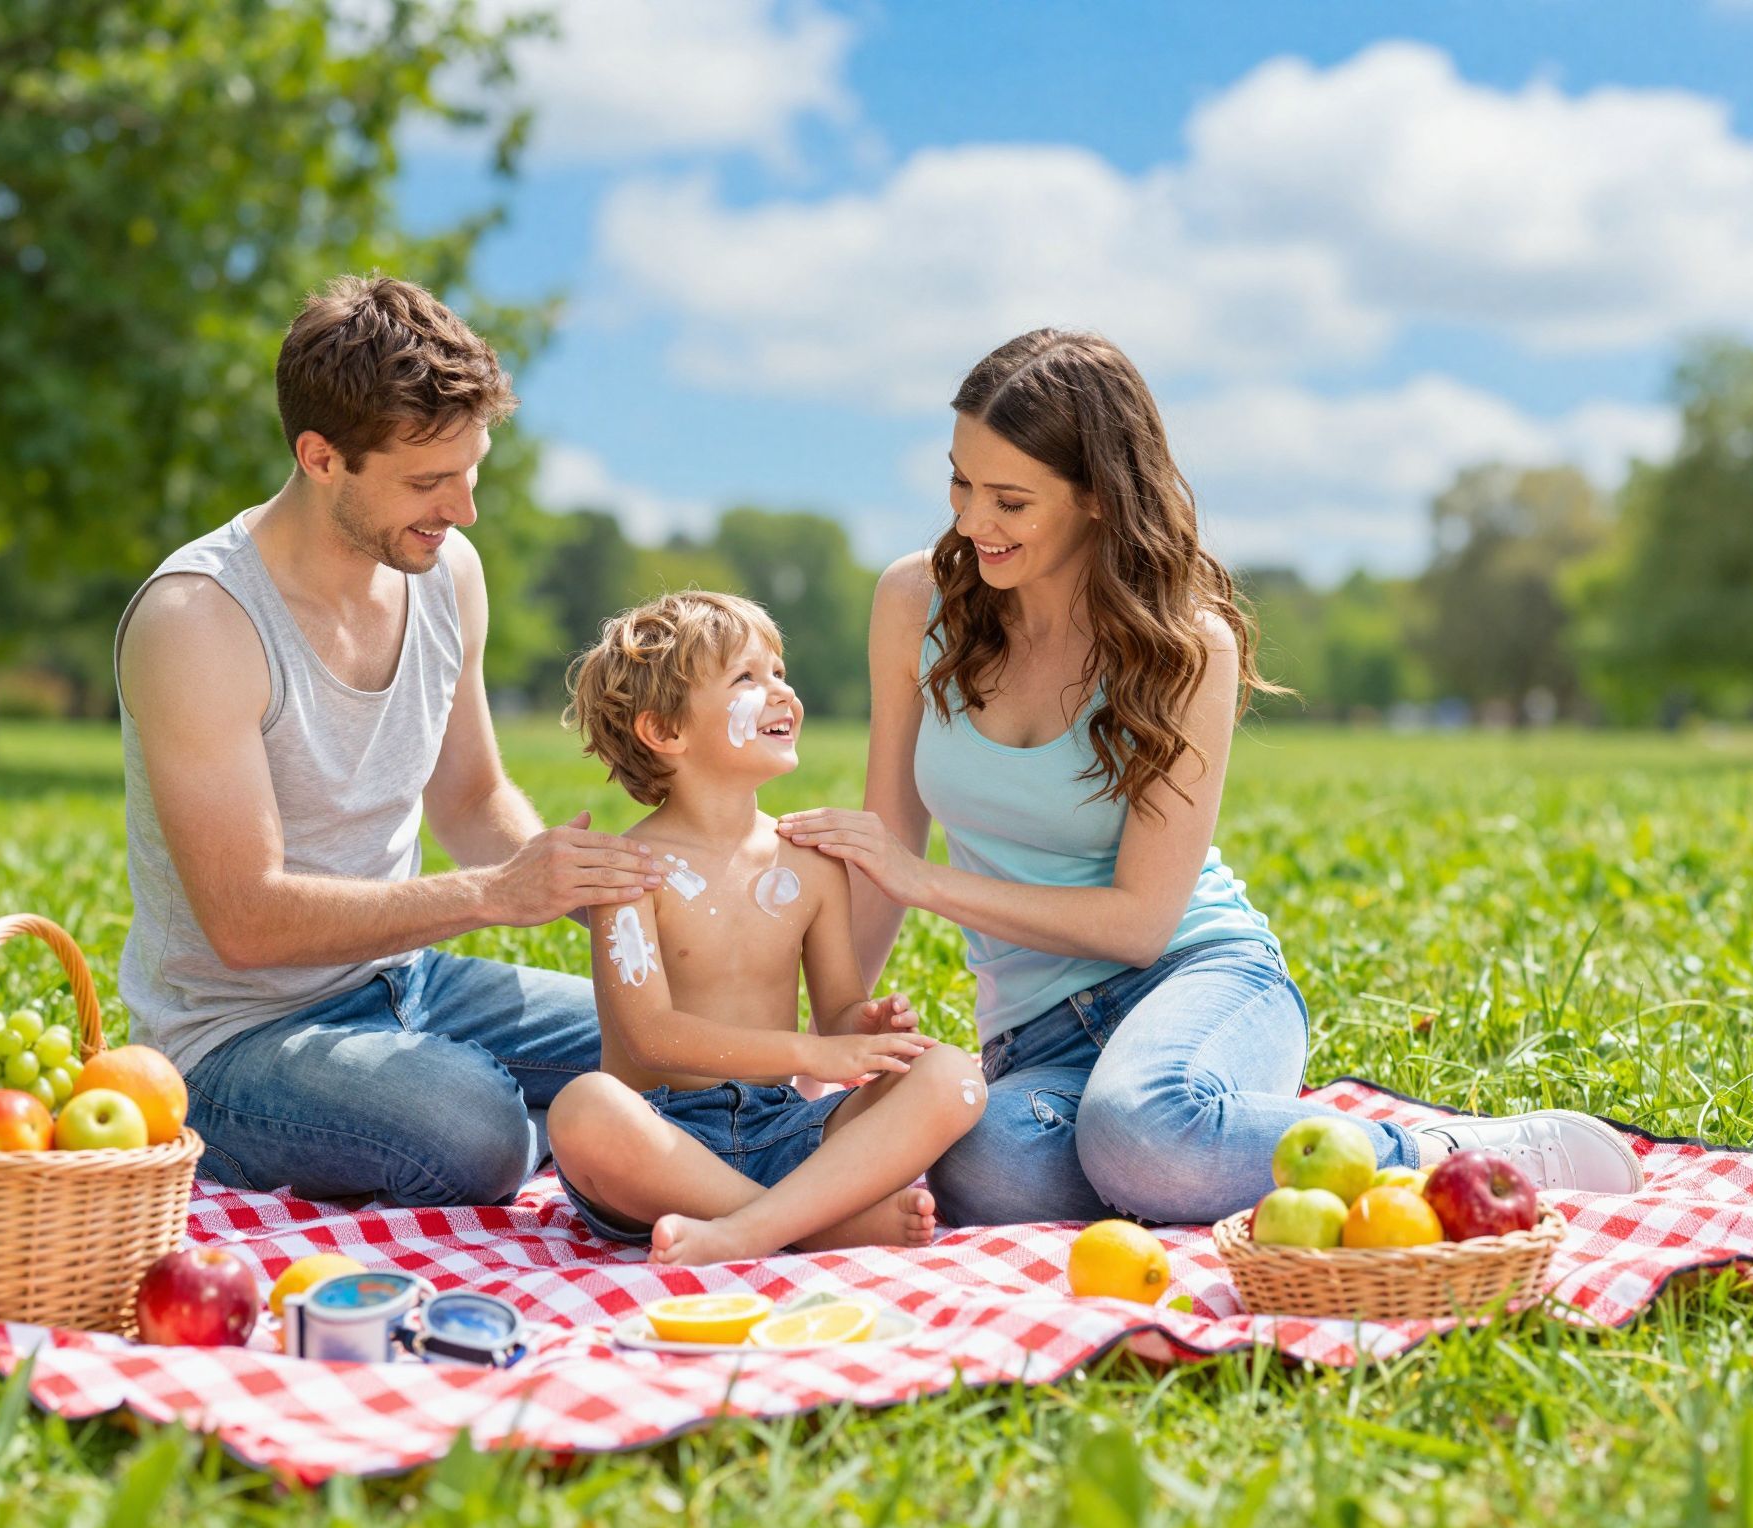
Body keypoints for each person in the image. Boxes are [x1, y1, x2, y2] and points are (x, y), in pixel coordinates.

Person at [777, 329, 1643, 1227]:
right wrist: (829, 1026)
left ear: (1099, 501)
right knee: (983, 1174)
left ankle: (1445, 1152)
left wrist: (928, 884)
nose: (969, 522)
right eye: (960, 482)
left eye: (1009, 500)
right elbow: (888, 843)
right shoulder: (914, 604)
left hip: (1201, 979)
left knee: (1138, 1132)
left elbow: (1141, 924)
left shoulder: (1188, 645)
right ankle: (1190, 1145)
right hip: (1034, 1037)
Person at [114, 274, 666, 1207]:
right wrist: (493, 896)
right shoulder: (198, 620)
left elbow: (470, 799)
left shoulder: (448, 570)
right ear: (321, 456)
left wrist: (606, 897)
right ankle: (576, 1134)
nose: (463, 510)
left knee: (665, 1037)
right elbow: (244, 922)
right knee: (476, 1135)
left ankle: (601, 1129)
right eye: (427, 481)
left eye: (471, 472)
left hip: (408, 979)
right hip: (237, 1040)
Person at [546, 591, 985, 1264]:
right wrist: (813, 1056)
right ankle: (810, 1224)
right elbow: (649, 1036)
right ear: (666, 731)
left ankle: (753, 1225)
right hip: (664, 1146)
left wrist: (862, 1027)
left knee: (953, 1076)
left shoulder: (807, 860)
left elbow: (836, 1012)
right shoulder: (629, 873)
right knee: (582, 1110)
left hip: (783, 1128)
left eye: (779, 672)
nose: (781, 693)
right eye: (747, 678)